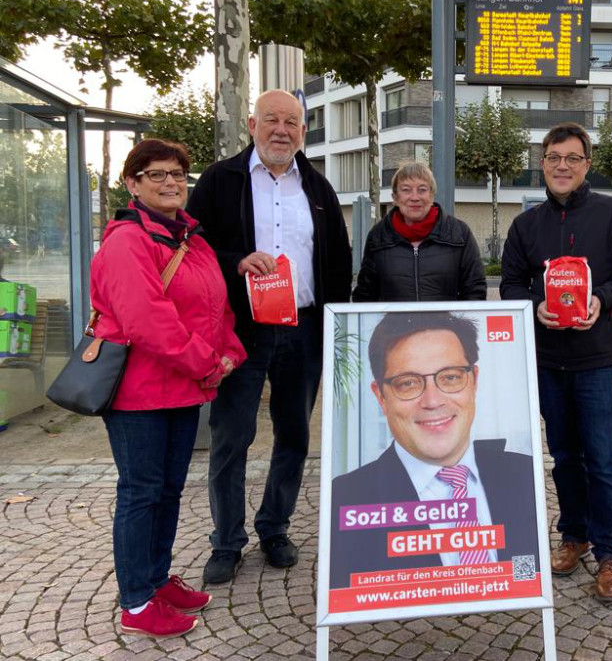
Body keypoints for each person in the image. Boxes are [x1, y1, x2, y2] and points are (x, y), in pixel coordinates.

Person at [186, 89, 353, 583]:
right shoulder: (221, 180)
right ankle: (227, 541)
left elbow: (338, 263)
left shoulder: (317, 188)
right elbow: (191, 248)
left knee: (295, 435)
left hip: (301, 330)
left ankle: (275, 528)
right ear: (252, 123)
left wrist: (334, 328)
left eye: (293, 122)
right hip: (241, 332)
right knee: (231, 437)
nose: (282, 130)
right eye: (272, 120)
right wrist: (235, 260)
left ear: (304, 131)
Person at [89, 138, 246, 637]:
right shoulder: (126, 241)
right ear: (132, 184)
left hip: (181, 388)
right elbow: (146, 320)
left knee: (169, 491)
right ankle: (136, 602)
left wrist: (229, 353)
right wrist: (207, 362)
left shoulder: (188, 239)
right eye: (156, 174)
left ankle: (156, 580)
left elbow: (215, 305)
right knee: (141, 493)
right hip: (139, 394)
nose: (171, 182)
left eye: (177, 173)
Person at [500, 122, 612, 603]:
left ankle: (610, 553)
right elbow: (509, 285)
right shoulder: (527, 225)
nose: (562, 166)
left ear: (587, 164)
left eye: (572, 158)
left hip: (597, 361)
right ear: (542, 163)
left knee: (604, 461)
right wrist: (534, 306)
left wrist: (602, 299)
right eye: (553, 158)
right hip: (547, 362)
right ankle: (574, 536)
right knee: (564, 457)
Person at [329, 312, 538, 588]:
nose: (432, 400)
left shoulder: (525, 474)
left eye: (450, 377)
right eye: (408, 383)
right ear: (380, 396)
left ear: (474, 381)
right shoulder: (346, 498)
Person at [352, 161, 486, 302]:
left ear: (432, 196)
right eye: (406, 190)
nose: (415, 197)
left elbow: (474, 291)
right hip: (394, 324)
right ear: (395, 198)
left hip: (445, 324)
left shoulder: (459, 233)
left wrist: (455, 323)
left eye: (422, 190)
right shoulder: (378, 236)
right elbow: (365, 295)